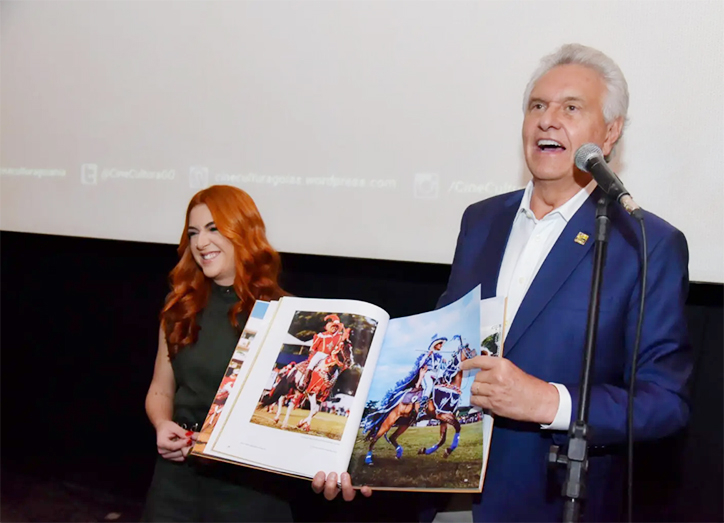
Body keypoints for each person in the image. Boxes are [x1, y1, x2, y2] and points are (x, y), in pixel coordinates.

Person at [312, 43, 692, 522]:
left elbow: (664, 402)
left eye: (571, 108)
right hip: (444, 497)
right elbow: (442, 345)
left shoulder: (643, 243)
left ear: (611, 132)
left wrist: (547, 401)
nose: (547, 120)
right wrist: (351, 448)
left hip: (550, 503)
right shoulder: (482, 220)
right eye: (537, 106)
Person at [142, 185, 297, 522]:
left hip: (249, 490)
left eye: (214, 229)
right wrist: (162, 424)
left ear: (243, 232)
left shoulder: (280, 313)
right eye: (194, 232)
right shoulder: (179, 308)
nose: (201, 243)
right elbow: (161, 388)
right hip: (176, 482)